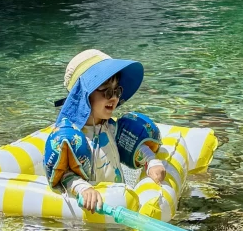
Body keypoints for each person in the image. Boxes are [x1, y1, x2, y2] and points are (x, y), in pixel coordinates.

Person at [44, 48, 166, 211]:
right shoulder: (74, 139)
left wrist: (151, 161)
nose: (114, 97)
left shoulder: (110, 128)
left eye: (117, 90)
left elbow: (133, 145)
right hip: (94, 211)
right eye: (106, 90)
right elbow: (64, 173)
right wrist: (82, 187)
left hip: (120, 207)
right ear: (83, 96)